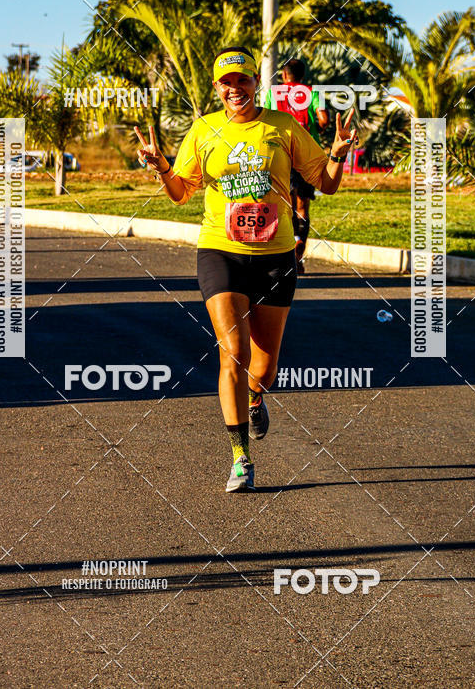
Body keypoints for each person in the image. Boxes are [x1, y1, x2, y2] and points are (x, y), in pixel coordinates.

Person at [134, 46, 357, 492]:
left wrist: (337, 152)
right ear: (216, 88)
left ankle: (257, 398)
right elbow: (181, 192)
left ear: (256, 83)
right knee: (231, 351)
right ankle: (241, 458)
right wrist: (161, 167)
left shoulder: (281, 126)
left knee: (265, 367)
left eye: (243, 80)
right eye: (226, 82)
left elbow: (325, 184)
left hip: (275, 256)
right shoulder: (203, 130)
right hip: (220, 250)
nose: (235, 88)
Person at [263, 58, 329, 274]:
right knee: (303, 206)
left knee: (285, 204)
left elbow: (265, 120)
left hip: (282, 153)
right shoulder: (312, 93)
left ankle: (290, 252)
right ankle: (299, 252)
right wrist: (316, 127)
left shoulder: (275, 93)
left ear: (284, 75)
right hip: (307, 155)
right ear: (302, 75)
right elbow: (324, 119)